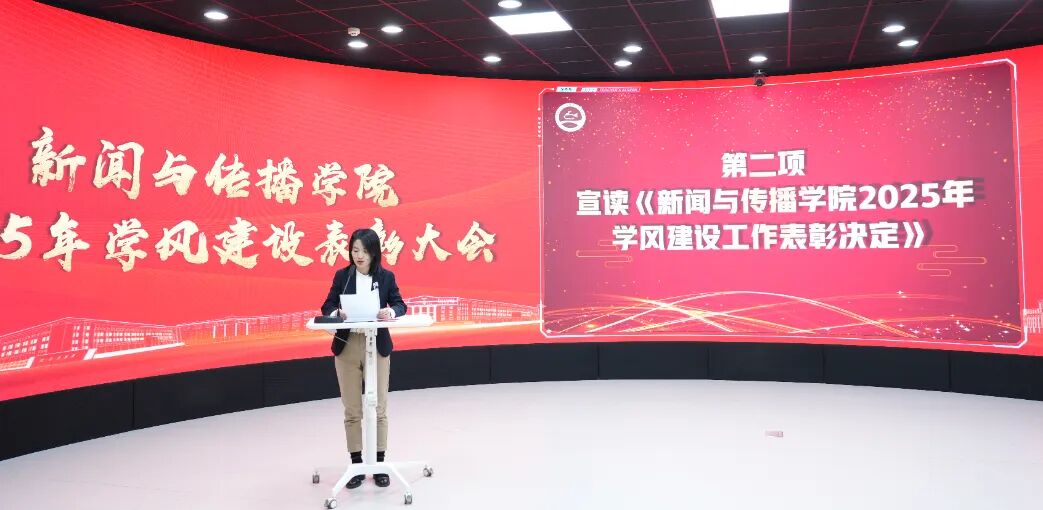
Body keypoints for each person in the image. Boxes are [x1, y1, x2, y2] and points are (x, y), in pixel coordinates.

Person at [320, 228, 407, 489]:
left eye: (364, 251)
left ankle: (378, 463)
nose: (359, 255)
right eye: (355, 250)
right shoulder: (343, 276)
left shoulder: (386, 277)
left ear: (374, 253)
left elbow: (401, 305)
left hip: (376, 344)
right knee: (352, 409)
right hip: (348, 345)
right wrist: (336, 314)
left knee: (379, 407)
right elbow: (327, 306)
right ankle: (357, 464)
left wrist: (390, 312)